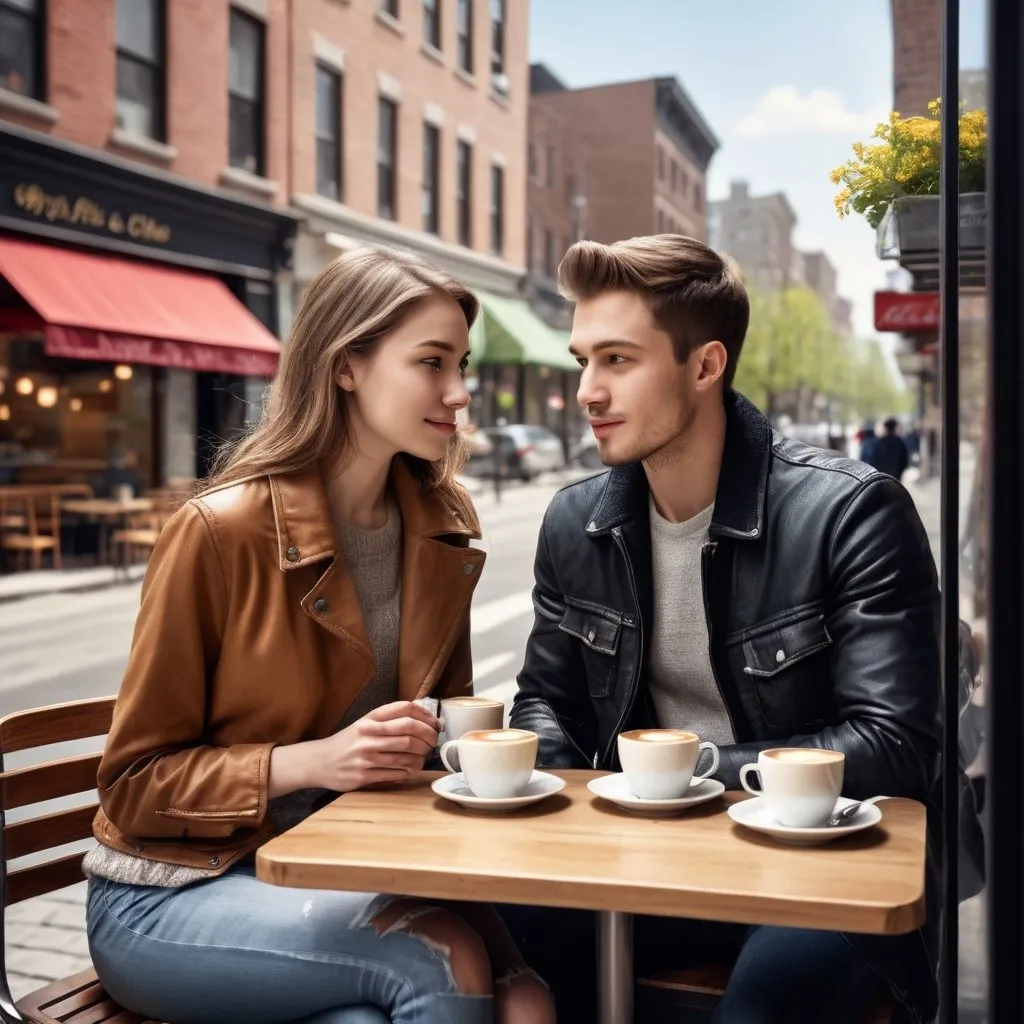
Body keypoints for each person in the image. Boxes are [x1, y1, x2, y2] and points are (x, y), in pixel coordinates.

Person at [83, 247, 555, 1024]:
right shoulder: (217, 533)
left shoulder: (445, 526)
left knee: (523, 999)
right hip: (173, 891)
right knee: (439, 963)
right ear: (346, 366)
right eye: (431, 363)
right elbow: (134, 786)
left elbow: (446, 726)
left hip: (344, 875)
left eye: (462, 363)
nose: (461, 392)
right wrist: (318, 763)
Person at [499, 235, 941, 1024]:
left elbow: (896, 744)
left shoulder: (850, 512)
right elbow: (545, 703)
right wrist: (556, 799)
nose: (587, 393)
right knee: (483, 958)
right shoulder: (575, 522)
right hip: (643, 857)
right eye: (582, 362)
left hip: (817, 865)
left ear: (705, 367)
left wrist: (695, 768)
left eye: (618, 361)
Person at [866, 417, 911, 481]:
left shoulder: (879, 442)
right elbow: (904, 460)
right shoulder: (899, 442)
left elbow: (873, 459)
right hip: (895, 476)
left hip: (881, 476)